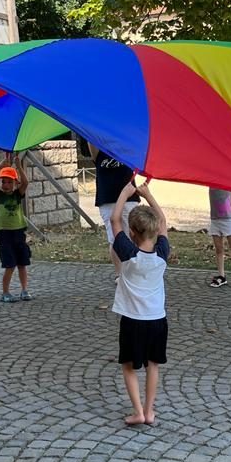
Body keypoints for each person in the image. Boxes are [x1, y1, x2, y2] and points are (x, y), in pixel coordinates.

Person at [110, 180, 169, 426]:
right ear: (155, 232)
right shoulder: (163, 252)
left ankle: (138, 412)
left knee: (128, 366)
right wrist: (148, 193)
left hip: (133, 321)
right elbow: (164, 221)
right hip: (157, 320)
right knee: (152, 365)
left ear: (131, 232)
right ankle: (150, 411)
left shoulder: (128, 253)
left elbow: (114, 221)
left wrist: (124, 192)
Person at [91, 145, 140, 280]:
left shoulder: (127, 144)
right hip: (107, 198)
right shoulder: (97, 145)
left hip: (129, 197)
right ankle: (120, 275)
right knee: (114, 238)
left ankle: (133, 272)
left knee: (133, 235)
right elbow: (93, 147)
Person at [0, 152, 31, 303]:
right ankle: (5, 293)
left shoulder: (18, 194)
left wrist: (19, 167)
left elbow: (25, 183)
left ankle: (24, 290)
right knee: (10, 265)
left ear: (14, 183)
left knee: (22, 264)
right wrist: (0, 166)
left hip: (19, 233)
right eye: (3, 181)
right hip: (4, 235)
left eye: (9, 182)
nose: (5, 185)